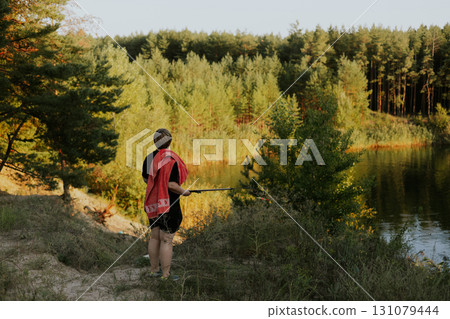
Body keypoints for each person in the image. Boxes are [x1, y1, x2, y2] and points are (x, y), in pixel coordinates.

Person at [142, 128, 190, 280]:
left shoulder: (149, 158)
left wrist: (157, 185)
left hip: (153, 204)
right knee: (166, 240)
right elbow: (171, 185)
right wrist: (184, 192)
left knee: (155, 237)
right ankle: (166, 275)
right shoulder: (172, 159)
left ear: (155, 142)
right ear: (170, 141)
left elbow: (146, 180)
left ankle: (154, 270)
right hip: (169, 204)